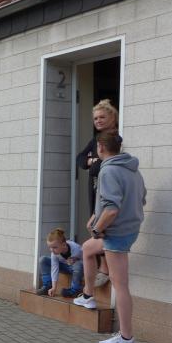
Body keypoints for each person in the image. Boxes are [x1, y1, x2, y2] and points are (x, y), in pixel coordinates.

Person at [74, 132, 146, 343]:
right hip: (128, 229)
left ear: (101, 147)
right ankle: (88, 295)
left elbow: (112, 209)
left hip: (116, 234)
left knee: (120, 285)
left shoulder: (108, 170)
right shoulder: (132, 169)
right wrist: (96, 216)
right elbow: (141, 198)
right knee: (88, 248)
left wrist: (97, 228)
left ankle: (126, 338)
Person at [76, 99, 119, 287]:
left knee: (103, 227)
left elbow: (108, 162)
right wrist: (91, 161)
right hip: (93, 190)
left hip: (106, 191)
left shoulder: (116, 139)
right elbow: (80, 159)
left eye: (102, 117)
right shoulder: (96, 140)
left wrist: (94, 161)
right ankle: (103, 265)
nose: (98, 121)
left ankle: (106, 268)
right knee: (95, 226)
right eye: (95, 118)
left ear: (113, 118)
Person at [37, 228, 83, 297]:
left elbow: (87, 260)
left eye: (54, 247)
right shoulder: (54, 253)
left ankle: (75, 290)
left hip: (76, 269)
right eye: (50, 247)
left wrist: (77, 259)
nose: (52, 250)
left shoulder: (76, 248)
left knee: (78, 264)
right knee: (43, 260)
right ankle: (47, 286)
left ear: (64, 245)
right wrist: (54, 288)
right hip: (64, 267)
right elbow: (54, 268)